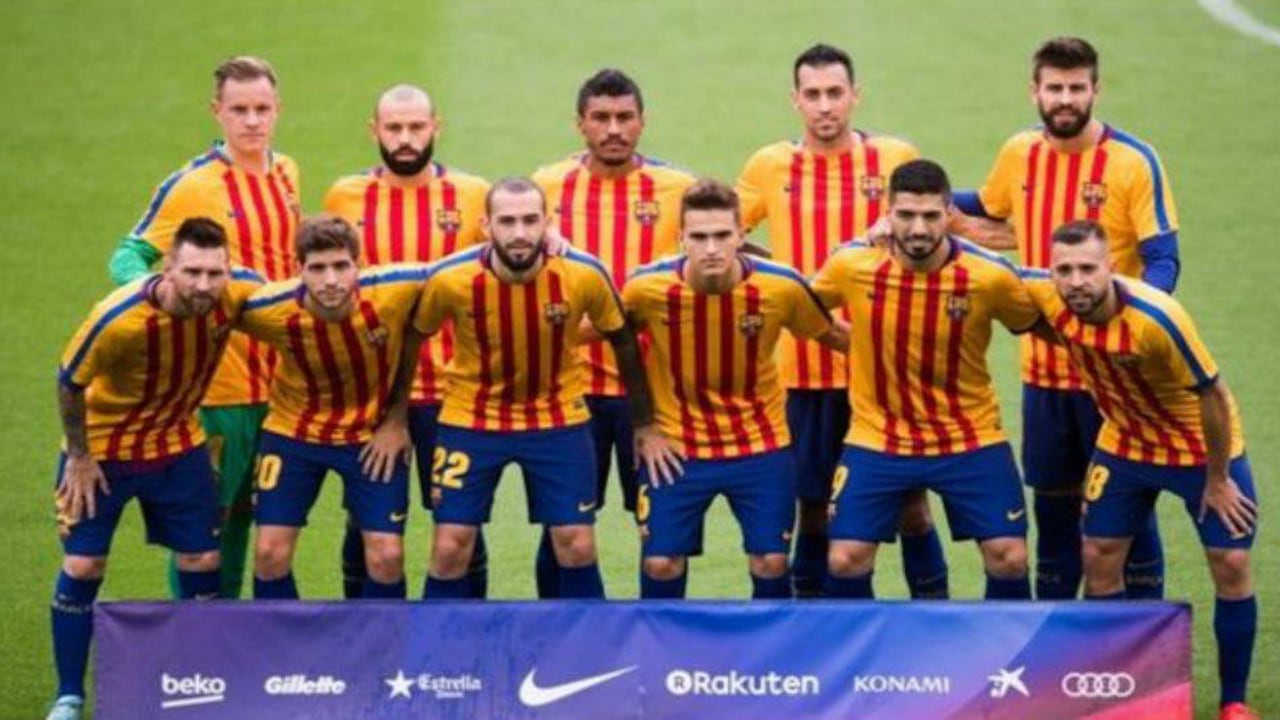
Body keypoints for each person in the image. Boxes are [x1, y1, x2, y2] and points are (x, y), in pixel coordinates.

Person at [955, 37, 1180, 599]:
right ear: (1034, 91)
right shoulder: (1019, 153)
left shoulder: (1133, 161)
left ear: (1095, 90)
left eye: (1076, 88)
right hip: (1044, 373)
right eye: (1054, 87)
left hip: (1115, 377)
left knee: (1127, 510)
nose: (1065, 99)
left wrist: (1135, 325)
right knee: (1053, 511)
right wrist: (909, 198)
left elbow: (1163, 257)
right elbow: (985, 205)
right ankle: (1058, 638)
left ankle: (1140, 640)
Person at [735, 43, 948, 598]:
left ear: (856, 95)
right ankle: (816, 623)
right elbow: (726, 233)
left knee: (910, 504)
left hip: (885, 369)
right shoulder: (769, 166)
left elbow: (934, 228)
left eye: (835, 93)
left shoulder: (895, 158)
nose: (825, 105)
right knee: (810, 504)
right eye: (813, 94)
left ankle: (934, 620)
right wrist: (776, 273)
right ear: (795, 100)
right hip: (803, 371)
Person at [1025, 220, 1256, 720]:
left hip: (1198, 447)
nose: (1076, 281)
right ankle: (1115, 691)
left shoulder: (1157, 318)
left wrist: (1218, 479)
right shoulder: (1047, 298)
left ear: (1111, 267)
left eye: (1088, 269)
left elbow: (1213, 395)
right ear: (1051, 272)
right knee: (1099, 555)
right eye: (1064, 270)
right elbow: (990, 267)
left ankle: (1234, 701)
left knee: (1232, 562)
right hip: (1125, 441)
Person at [47, 219, 261, 720]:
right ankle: (69, 695)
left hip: (177, 444)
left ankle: (201, 678)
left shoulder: (236, 296)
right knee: (83, 565)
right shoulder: (117, 318)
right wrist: (80, 456)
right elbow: (69, 382)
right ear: (168, 267)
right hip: (104, 451)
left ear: (228, 270)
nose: (204, 285)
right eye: (193, 273)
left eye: (215, 273)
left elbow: (287, 303)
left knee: (202, 559)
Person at [107, 56, 300, 599]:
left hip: (280, 386)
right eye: (239, 110)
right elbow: (128, 255)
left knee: (248, 514)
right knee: (203, 524)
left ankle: (230, 624)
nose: (252, 122)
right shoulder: (192, 185)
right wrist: (164, 300)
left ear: (278, 110)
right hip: (217, 387)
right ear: (217, 112)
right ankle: (195, 630)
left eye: (261, 109)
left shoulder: (287, 172)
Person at [414, 177, 659, 600]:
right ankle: (438, 641)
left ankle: (586, 638)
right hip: (470, 417)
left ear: (548, 223)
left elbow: (622, 338)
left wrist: (644, 423)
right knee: (451, 546)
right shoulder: (451, 278)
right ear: (486, 226)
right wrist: (393, 420)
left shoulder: (583, 273)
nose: (520, 233)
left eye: (530, 220)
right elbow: (413, 335)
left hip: (557, 416)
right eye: (507, 221)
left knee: (575, 544)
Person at [812, 160, 1034, 600]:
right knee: (844, 559)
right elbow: (802, 308)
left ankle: (1003, 647)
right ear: (887, 213)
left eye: (931, 215)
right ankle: (862, 645)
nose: (918, 228)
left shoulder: (989, 275)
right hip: (878, 436)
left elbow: (1033, 321)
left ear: (949, 213)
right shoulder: (852, 265)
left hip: (969, 435)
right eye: (906, 215)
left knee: (1010, 557)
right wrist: (852, 343)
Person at [624, 179, 847, 599]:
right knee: (661, 562)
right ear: (681, 239)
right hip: (676, 447)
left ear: (741, 235)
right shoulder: (646, 288)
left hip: (760, 445)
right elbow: (609, 335)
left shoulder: (781, 286)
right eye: (699, 237)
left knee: (771, 561)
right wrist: (644, 424)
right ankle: (661, 640)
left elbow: (835, 335)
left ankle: (773, 640)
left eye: (722, 235)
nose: (711, 248)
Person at [531, 69, 697, 597]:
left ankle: (656, 632)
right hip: (570, 391)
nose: (613, 129)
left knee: (661, 529)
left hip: (654, 394)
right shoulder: (547, 186)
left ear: (642, 122)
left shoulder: (679, 189)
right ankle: (563, 630)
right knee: (564, 527)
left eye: (625, 117)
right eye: (600, 118)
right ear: (580, 124)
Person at [323, 84, 491, 599]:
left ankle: (465, 639)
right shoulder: (344, 197)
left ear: (435, 127)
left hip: (453, 392)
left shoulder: (473, 195)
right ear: (374, 130)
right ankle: (369, 637)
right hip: (373, 393)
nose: (405, 138)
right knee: (368, 524)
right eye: (393, 127)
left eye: (416, 127)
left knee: (460, 525)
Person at [240, 216, 424, 600]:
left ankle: (381, 640)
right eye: (317, 268)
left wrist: (396, 420)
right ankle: (283, 639)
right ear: (298, 270)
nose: (330, 280)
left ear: (359, 265)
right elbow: (211, 302)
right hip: (293, 434)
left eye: (341, 266)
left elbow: (461, 271)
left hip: (371, 437)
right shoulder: (266, 309)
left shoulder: (396, 288)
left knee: (387, 556)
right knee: (270, 554)